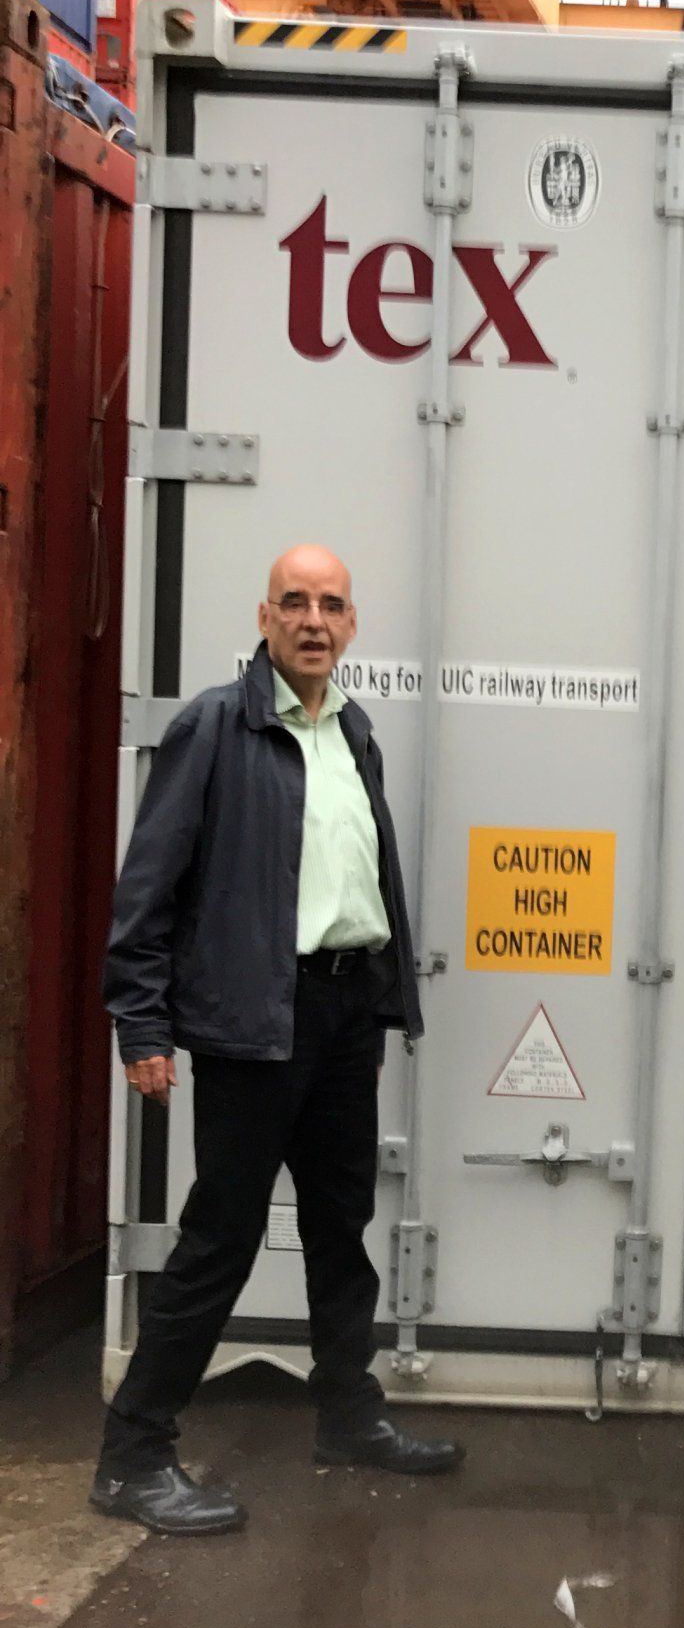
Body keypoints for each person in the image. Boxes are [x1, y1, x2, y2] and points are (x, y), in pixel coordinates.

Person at [93, 545, 461, 1536]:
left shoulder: (354, 731)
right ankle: (133, 1456)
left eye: (330, 604)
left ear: (351, 624)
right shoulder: (215, 726)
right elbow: (148, 887)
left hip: (344, 1014)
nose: (312, 620)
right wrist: (141, 1021)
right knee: (222, 1235)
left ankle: (348, 1415)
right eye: (293, 602)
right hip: (256, 1020)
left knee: (341, 1227)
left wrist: (380, 1000)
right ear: (264, 618)